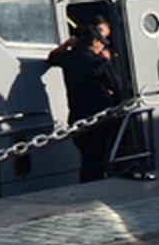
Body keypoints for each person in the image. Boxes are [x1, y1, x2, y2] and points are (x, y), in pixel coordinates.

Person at [48, 19, 123, 181]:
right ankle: (97, 187)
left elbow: (52, 58)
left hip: (77, 115)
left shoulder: (69, 57)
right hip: (99, 116)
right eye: (101, 42)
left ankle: (87, 185)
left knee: (87, 158)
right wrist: (107, 61)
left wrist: (66, 44)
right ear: (95, 42)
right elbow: (116, 84)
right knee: (99, 158)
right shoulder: (97, 62)